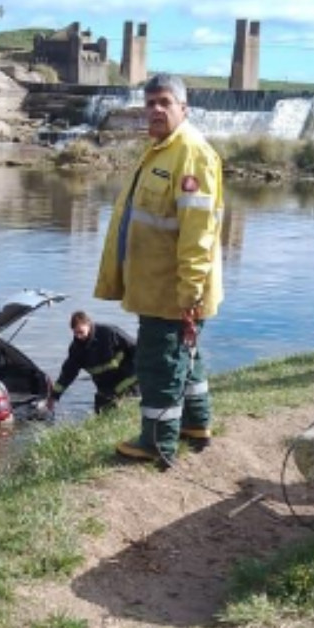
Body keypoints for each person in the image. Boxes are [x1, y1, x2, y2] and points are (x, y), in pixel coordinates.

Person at [93, 73, 224, 468]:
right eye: (149, 103)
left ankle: (156, 442)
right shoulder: (161, 150)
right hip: (157, 285)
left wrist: (188, 292)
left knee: (159, 361)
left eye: (164, 102)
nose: (155, 110)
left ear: (183, 108)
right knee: (186, 355)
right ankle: (195, 425)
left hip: (173, 289)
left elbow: (198, 234)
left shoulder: (191, 155)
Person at [46, 311, 137, 414]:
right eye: (75, 333)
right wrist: (53, 396)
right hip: (105, 387)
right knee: (101, 414)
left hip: (129, 380)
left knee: (127, 410)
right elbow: (67, 374)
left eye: (81, 332)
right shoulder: (76, 349)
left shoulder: (109, 332)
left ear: (88, 325)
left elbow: (136, 349)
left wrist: (139, 371)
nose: (79, 336)